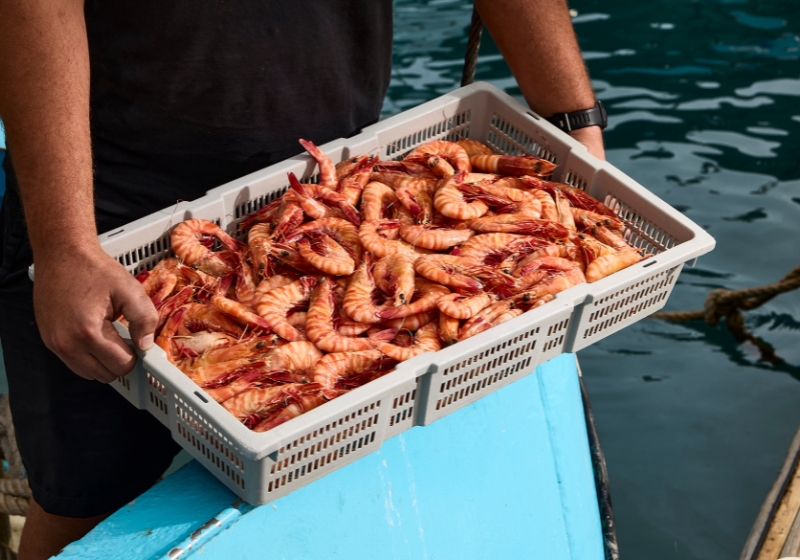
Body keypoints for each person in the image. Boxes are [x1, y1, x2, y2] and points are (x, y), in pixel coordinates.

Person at [0, 0, 605, 558]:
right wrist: (65, 246)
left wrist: (575, 121)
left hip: (340, 168)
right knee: (85, 499)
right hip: (110, 197)